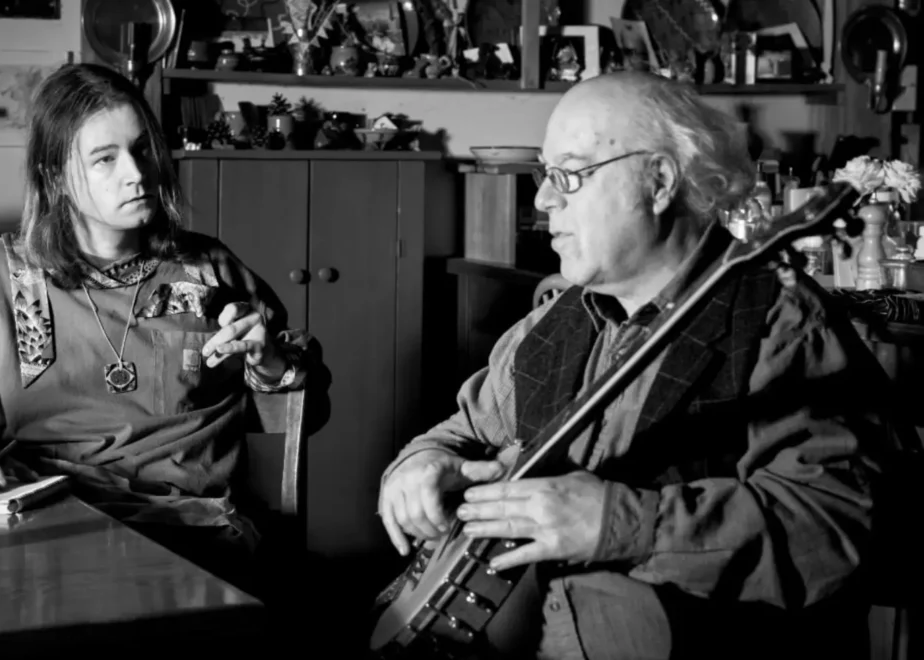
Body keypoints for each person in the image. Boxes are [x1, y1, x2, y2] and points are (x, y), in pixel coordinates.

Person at [376, 71, 903, 659]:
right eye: (544, 176)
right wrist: (421, 466)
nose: (544, 200)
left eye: (569, 174)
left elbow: (837, 527)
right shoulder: (555, 321)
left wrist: (621, 523)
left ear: (658, 181)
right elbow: (468, 429)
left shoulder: (782, 327)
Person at [0, 63, 323, 596]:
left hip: (186, 531)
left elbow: (307, 406)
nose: (137, 173)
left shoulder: (211, 269)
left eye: (143, 149)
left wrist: (269, 366)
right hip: (43, 528)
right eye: (105, 158)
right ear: (55, 175)